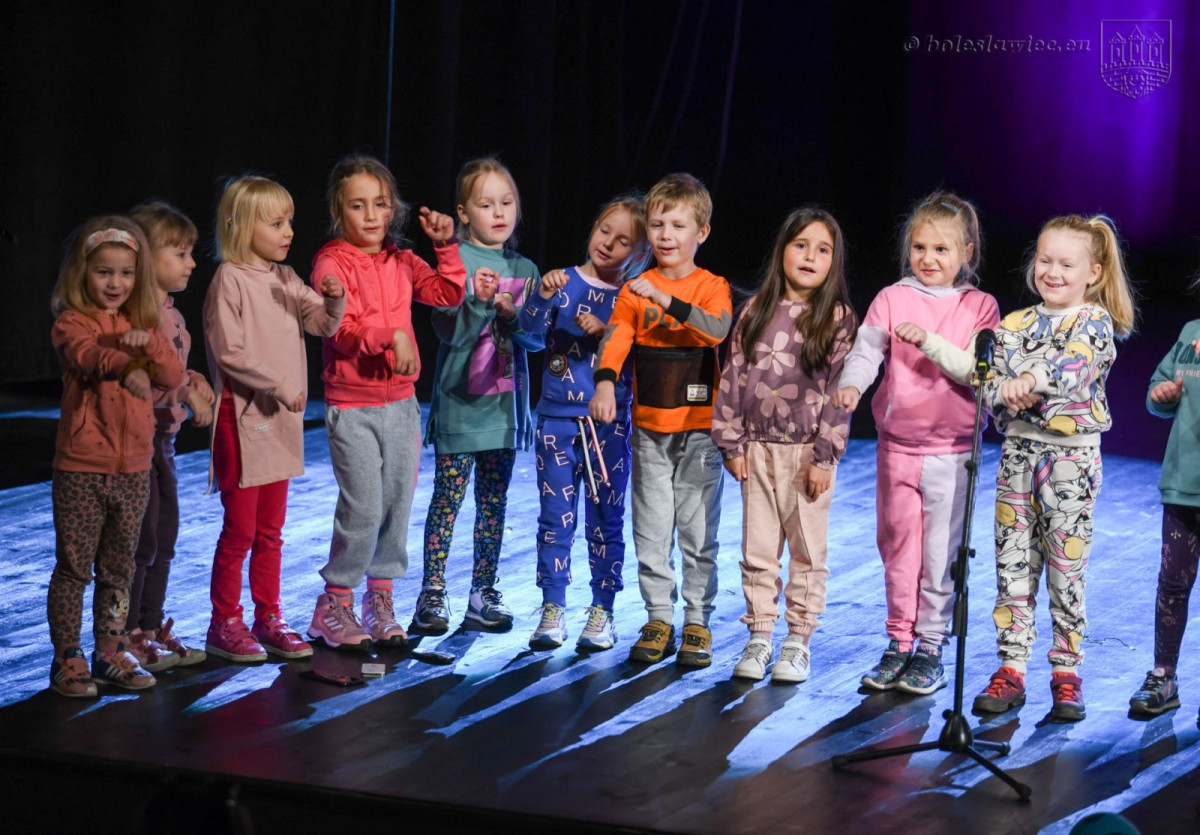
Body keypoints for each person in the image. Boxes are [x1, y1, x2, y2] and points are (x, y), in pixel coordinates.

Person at [905, 214, 1136, 722]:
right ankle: (1011, 666)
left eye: (1065, 264)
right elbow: (980, 374)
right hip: (1017, 459)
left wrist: (1031, 377)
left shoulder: (1093, 323)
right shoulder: (1014, 325)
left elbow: (1074, 366)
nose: (1052, 271)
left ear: (1092, 273)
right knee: (1013, 565)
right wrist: (931, 343)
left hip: (1070, 460)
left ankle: (1066, 671)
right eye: (1044, 260)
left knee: (1064, 569)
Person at [832, 192, 999, 695]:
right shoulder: (891, 297)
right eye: (920, 247)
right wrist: (852, 385)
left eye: (942, 250)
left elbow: (976, 370)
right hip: (896, 448)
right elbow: (867, 351)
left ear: (966, 252)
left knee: (939, 554)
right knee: (898, 550)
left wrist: (928, 340)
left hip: (950, 452)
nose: (928, 259)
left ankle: (930, 645)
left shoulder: (980, 306)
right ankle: (898, 642)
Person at [305, 155, 465, 650]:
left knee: (396, 504)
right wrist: (390, 335)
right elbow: (341, 329)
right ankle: (333, 602)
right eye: (358, 205)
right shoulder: (331, 262)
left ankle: (380, 599)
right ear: (339, 210)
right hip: (352, 404)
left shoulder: (400, 258)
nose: (372, 215)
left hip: (400, 404)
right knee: (363, 506)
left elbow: (446, 294)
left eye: (380, 203)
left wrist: (446, 246)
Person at [589, 172, 732, 667]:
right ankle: (658, 618)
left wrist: (667, 299)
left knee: (696, 531)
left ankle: (697, 621)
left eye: (677, 224)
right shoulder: (634, 289)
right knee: (650, 529)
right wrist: (605, 381)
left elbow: (716, 330)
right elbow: (616, 337)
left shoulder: (711, 287)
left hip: (698, 431)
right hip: (649, 429)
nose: (666, 235)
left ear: (702, 233)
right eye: (657, 225)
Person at [203, 176, 345, 662]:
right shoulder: (230, 280)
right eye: (276, 222)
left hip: (280, 422)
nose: (288, 232)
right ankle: (224, 622)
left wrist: (334, 299)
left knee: (270, 532)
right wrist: (280, 385)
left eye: (289, 222)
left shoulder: (284, 279)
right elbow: (229, 352)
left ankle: (268, 616)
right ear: (243, 226)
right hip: (243, 420)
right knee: (240, 530)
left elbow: (322, 323)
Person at [714, 207, 857, 683]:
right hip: (756, 449)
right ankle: (759, 637)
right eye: (801, 245)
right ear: (782, 251)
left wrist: (825, 456)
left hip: (805, 455)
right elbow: (733, 377)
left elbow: (840, 393)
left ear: (833, 262)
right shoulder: (754, 311)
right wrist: (731, 443)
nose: (810, 257)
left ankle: (798, 640)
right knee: (757, 549)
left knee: (807, 552)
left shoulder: (836, 319)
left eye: (822, 250)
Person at [47, 216, 185, 695]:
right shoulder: (71, 323)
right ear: (83, 273)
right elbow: (88, 357)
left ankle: (110, 650)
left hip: (133, 467)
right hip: (83, 467)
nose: (115, 283)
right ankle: (67, 656)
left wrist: (148, 344)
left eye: (125, 273)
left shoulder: (142, 323)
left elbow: (171, 373)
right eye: (104, 272)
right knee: (74, 566)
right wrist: (127, 363)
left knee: (119, 567)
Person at [518, 194, 650, 650]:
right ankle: (552, 607)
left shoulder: (634, 298)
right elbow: (529, 331)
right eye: (603, 231)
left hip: (607, 426)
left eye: (624, 241)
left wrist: (608, 332)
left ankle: (602, 610)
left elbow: (641, 359)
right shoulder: (565, 280)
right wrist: (541, 295)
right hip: (556, 418)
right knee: (555, 517)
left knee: (605, 518)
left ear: (640, 253)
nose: (609, 244)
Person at [417, 157, 540, 633]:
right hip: (460, 407)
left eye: (506, 202)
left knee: (494, 504)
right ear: (464, 213)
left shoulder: (524, 267)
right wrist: (479, 303)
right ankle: (432, 592)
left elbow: (533, 339)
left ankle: (482, 592)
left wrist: (513, 316)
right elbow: (447, 329)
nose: (498, 212)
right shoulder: (456, 261)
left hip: (503, 411)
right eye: (485, 204)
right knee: (447, 500)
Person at [123, 202, 214, 672]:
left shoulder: (171, 315)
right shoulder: (136, 318)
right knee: (141, 543)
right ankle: (126, 634)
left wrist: (193, 379)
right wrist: (185, 389)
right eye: (179, 253)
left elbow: (171, 368)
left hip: (166, 442)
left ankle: (151, 625)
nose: (191, 263)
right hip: (139, 445)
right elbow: (142, 375)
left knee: (164, 537)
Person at [1128, 319, 1200, 716]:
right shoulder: (1190, 331)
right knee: (1172, 584)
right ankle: (1164, 674)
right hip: (1184, 484)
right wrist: (1163, 394)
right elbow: (1158, 394)